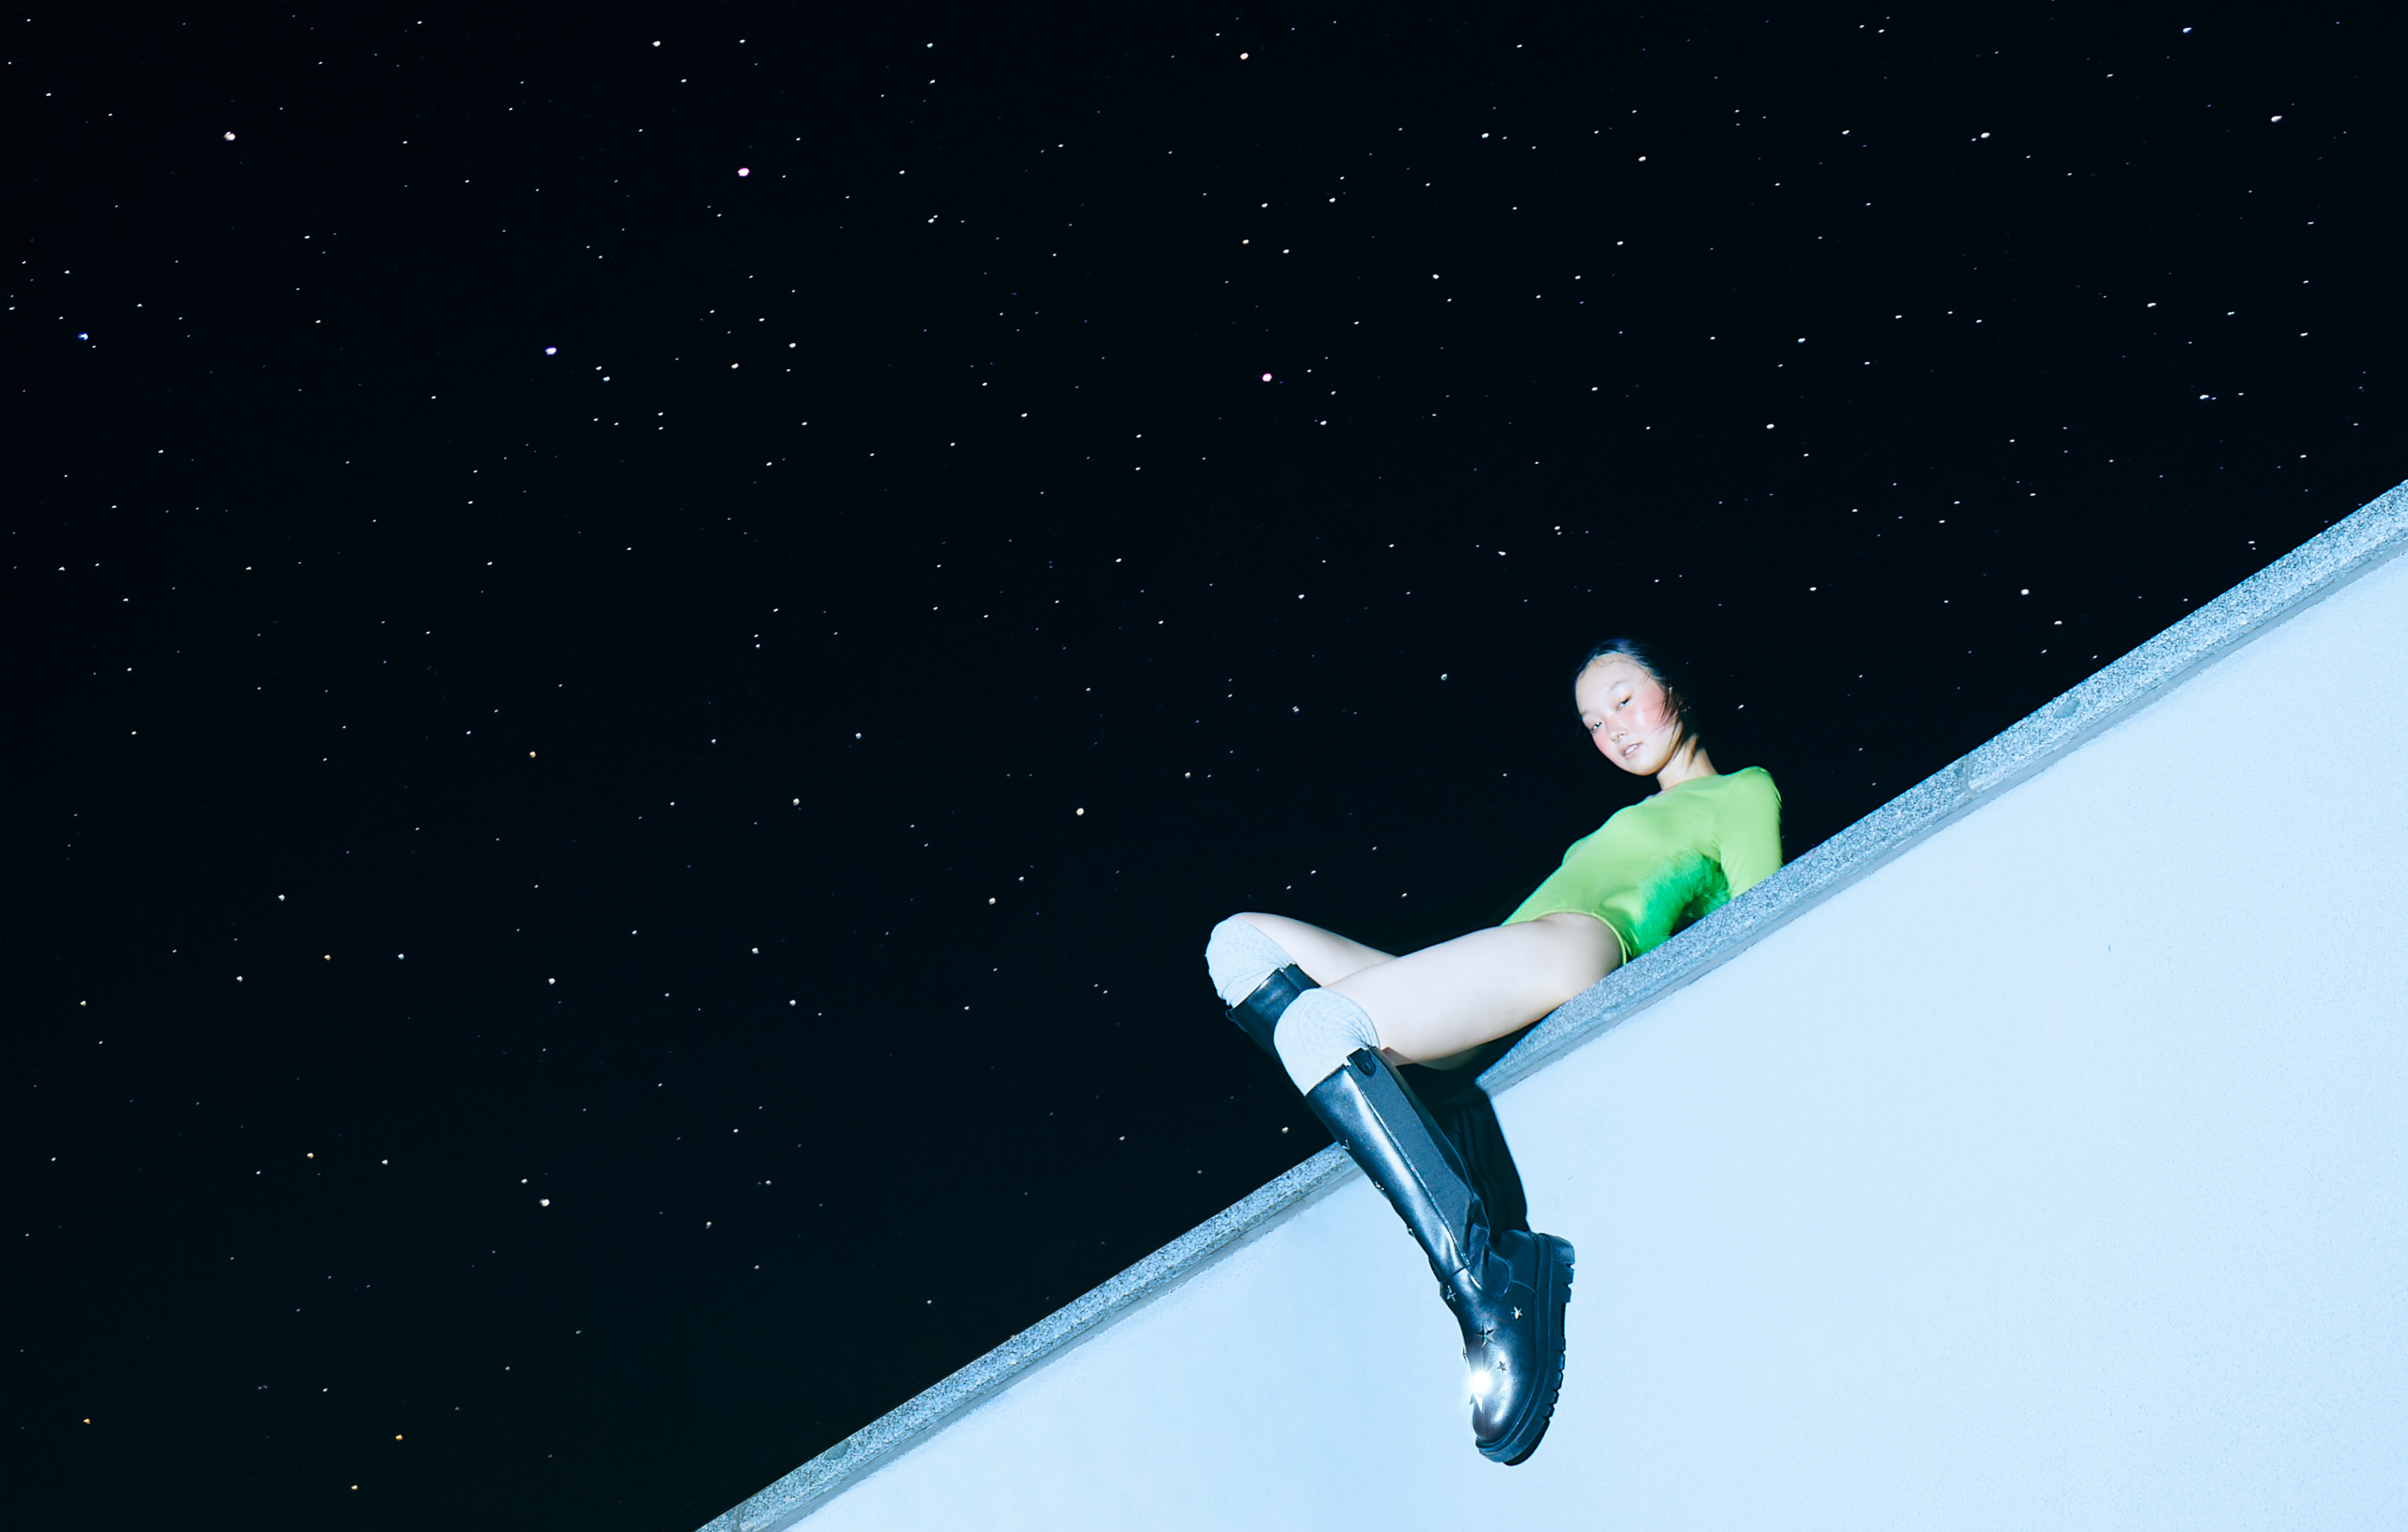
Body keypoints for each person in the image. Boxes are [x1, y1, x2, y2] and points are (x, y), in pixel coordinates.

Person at [1204, 638, 1783, 1465]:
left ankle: (1488, 1280)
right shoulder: (1620, 820)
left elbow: (1767, 919)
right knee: (1237, 942)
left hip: (1585, 943)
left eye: (1624, 700)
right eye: (1593, 722)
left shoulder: (1741, 791)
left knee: (1317, 1027)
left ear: (1675, 687)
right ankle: (1422, 1114)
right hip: (1511, 961)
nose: (1613, 730)